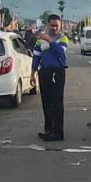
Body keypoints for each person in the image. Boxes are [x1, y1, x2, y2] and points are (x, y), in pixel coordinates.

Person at [31, 14, 68, 142]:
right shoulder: (40, 40)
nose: (54, 28)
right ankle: (48, 130)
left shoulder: (63, 38)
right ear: (47, 25)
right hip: (44, 71)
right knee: (46, 102)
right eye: (52, 25)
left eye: (56, 26)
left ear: (60, 26)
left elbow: (59, 52)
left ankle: (58, 132)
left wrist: (49, 40)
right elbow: (36, 56)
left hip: (58, 72)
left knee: (57, 102)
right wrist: (33, 73)